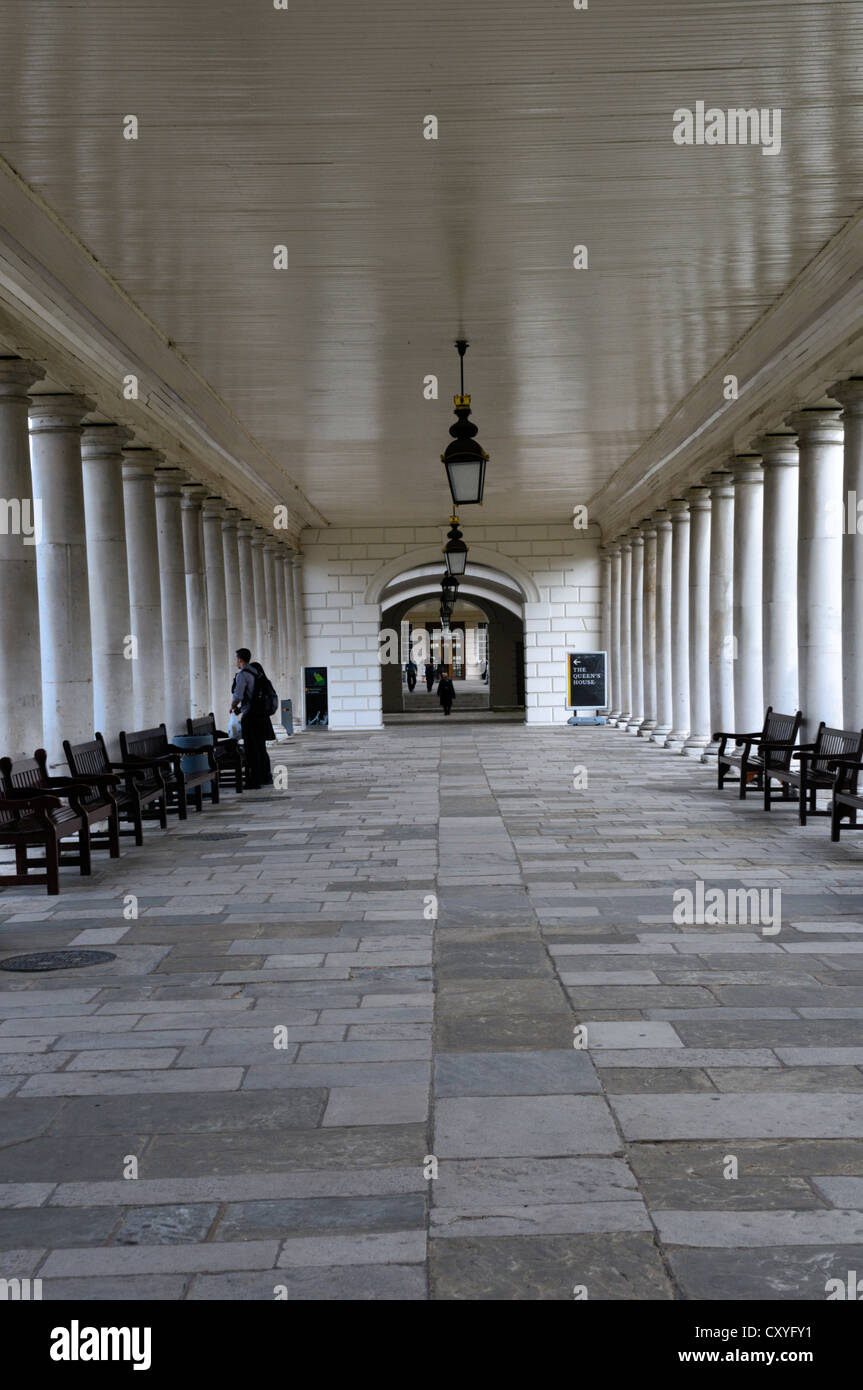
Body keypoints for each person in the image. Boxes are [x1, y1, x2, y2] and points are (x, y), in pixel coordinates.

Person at [231, 649, 275, 788]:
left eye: (236, 659)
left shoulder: (243, 675)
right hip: (261, 715)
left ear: (240, 660)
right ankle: (265, 776)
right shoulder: (257, 672)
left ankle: (254, 780)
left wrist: (232, 706)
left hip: (251, 717)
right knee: (260, 748)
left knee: (251, 749)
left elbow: (238, 695)